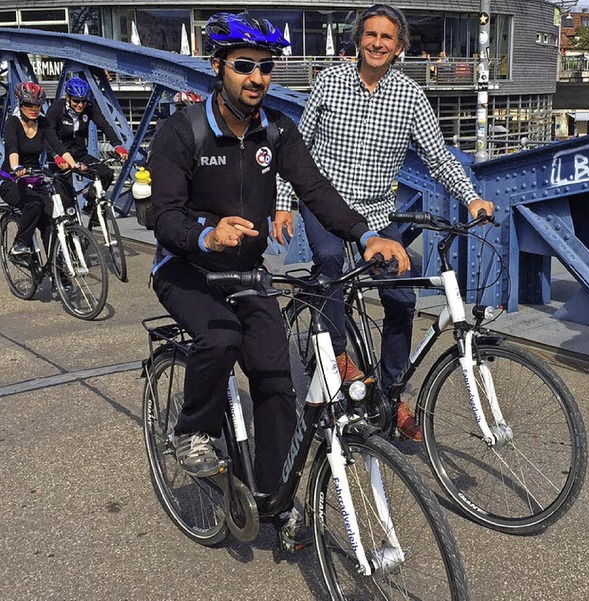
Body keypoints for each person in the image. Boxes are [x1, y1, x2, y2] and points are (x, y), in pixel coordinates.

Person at [148, 12, 408, 546]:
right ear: (217, 67)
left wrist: (365, 236)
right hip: (185, 268)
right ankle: (191, 430)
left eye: (266, 69)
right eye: (244, 67)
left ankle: (273, 498)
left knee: (276, 385)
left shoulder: (277, 131)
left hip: (247, 273)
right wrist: (206, 234)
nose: (256, 78)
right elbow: (160, 215)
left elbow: (315, 189)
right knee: (219, 336)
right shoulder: (182, 132)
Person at [274, 3, 494, 441]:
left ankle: (393, 395)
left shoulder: (411, 95)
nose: (377, 43)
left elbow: (437, 157)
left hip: (376, 213)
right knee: (331, 260)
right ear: (358, 39)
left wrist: (471, 198)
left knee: (401, 295)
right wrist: (284, 202)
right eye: (370, 35)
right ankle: (335, 357)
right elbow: (297, 150)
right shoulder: (329, 83)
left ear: (398, 48)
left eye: (387, 38)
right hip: (327, 206)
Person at [0, 82, 79, 256]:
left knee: (51, 222)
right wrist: (17, 167)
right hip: (11, 179)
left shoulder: (43, 123)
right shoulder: (12, 123)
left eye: (37, 105)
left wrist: (75, 165)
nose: (34, 108)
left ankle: (58, 273)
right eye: (29, 104)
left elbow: (58, 146)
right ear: (20, 104)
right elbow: (12, 149)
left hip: (35, 179)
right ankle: (19, 244)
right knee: (34, 203)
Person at [45, 76, 128, 212]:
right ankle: (69, 229)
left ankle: (90, 206)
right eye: (76, 101)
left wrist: (117, 145)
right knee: (68, 202)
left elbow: (104, 125)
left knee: (106, 174)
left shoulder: (89, 108)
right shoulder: (55, 110)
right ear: (68, 98)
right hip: (60, 158)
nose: (80, 105)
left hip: (80, 155)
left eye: (83, 101)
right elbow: (48, 137)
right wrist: (55, 156)